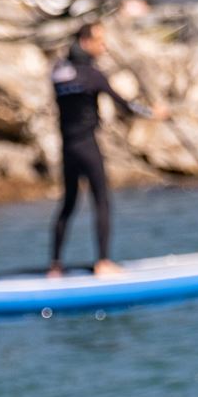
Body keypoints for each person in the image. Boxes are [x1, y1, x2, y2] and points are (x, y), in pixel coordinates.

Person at [49, 22, 164, 278]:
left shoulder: (58, 72)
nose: (104, 46)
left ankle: (55, 266)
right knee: (101, 200)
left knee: (68, 204)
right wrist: (153, 113)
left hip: (67, 149)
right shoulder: (92, 75)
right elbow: (125, 105)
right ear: (85, 41)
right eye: (100, 40)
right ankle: (103, 263)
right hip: (88, 146)